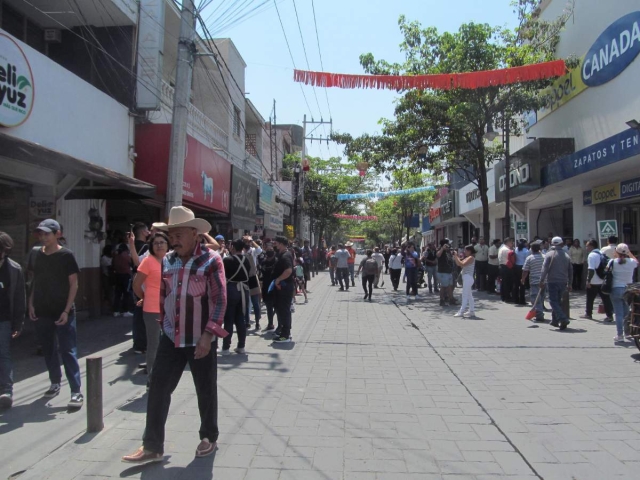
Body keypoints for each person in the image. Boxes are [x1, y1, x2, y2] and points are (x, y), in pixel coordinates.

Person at [122, 207, 228, 464]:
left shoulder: (211, 260)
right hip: (171, 335)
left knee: (205, 389)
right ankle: (152, 447)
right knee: (158, 388)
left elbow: (219, 300)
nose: (175, 239)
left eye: (179, 233)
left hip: (199, 337)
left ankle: (208, 437)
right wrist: (160, 315)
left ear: (195, 234)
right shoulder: (167, 259)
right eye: (172, 234)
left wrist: (207, 336)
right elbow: (164, 292)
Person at [28, 219, 83, 408]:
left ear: (57, 234)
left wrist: (67, 310)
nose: (43, 237)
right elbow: (34, 281)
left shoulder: (66, 255)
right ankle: (55, 382)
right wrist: (31, 304)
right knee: (48, 349)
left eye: (47, 233)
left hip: (63, 311)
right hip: (42, 309)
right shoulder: (36, 254)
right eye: (40, 234)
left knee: (68, 350)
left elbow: (73, 284)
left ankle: (76, 391)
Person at [132, 232, 169, 381]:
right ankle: (152, 378)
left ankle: (165, 375)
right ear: (151, 246)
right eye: (156, 243)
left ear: (168, 245)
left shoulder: (172, 260)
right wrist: (145, 297)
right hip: (152, 308)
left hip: (170, 308)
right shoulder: (148, 261)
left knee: (169, 343)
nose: (159, 245)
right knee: (153, 343)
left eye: (162, 242)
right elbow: (136, 285)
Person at [0, 232, 26, 409]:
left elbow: (19, 298)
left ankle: (6, 390)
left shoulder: (14, 269)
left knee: (4, 353)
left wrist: (18, 323)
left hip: (4, 318)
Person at [220, 239, 251, 355]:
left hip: (231, 289)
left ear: (232, 247)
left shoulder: (228, 260)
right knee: (240, 319)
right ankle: (241, 346)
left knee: (228, 319)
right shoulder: (247, 260)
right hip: (243, 290)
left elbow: (222, 275)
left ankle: (226, 347)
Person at [540, 236, 573, 330]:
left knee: (553, 301)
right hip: (563, 281)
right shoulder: (566, 255)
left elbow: (544, 269)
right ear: (562, 244)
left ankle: (563, 318)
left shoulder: (549, 254)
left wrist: (541, 280)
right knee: (558, 301)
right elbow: (571, 270)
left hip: (552, 281)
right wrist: (570, 283)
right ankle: (555, 320)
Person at [607, 244, 638, 343]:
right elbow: (637, 262)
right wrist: (629, 253)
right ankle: (627, 332)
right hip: (628, 290)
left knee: (618, 313)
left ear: (617, 252)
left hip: (615, 289)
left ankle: (620, 335)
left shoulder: (613, 262)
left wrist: (615, 256)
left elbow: (606, 271)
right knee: (626, 312)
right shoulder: (632, 262)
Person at [581, 239, 613, 322]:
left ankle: (588, 314)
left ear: (591, 246)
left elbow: (591, 269)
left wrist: (588, 281)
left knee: (590, 298)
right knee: (605, 299)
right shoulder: (601, 253)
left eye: (587, 246)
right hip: (602, 280)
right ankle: (610, 315)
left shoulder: (591, 255)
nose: (586, 247)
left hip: (594, 281)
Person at [271, 236, 295, 343]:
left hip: (284, 287)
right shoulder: (281, 254)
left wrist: (278, 279)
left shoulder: (286, 255)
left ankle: (285, 335)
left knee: (284, 310)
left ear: (281, 244)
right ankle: (283, 331)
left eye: (276, 243)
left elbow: (289, 270)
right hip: (281, 287)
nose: (274, 245)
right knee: (280, 309)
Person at [522, 241, 546, 322]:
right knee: (541, 298)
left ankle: (539, 315)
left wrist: (523, 279)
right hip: (544, 281)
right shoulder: (544, 257)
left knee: (535, 298)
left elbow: (525, 270)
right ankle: (539, 312)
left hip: (534, 281)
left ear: (532, 249)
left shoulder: (530, 258)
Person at [112, 243, 134, 318]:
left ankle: (116, 311)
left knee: (117, 294)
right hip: (126, 276)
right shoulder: (127, 256)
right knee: (126, 293)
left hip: (117, 276)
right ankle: (125, 311)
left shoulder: (116, 257)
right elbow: (132, 264)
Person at [453, 245, 476, 318]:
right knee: (469, 295)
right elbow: (459, 264)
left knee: (465, 295)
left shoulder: (471, 258)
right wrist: (455, 256)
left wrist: (456, 255)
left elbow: (462, 264)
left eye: (466, 250)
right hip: (467, 278)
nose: (464, 252)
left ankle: (461, 311)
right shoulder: (468, 258)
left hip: (468, 278)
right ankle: (471, 311)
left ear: (469, 251)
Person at [260, 242, 278, 332]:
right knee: (276, 306)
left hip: (267, 287)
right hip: (275, 286)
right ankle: (277, 324)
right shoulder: (277, 261)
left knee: (269, 307)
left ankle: (270, 323)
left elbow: (261, 274)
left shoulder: (263, 262)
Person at [436, 239, 456, 306]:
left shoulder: (448, 251)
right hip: (443, 272)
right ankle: (441, 300)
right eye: (447, 244)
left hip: (449, 271)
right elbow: (438, 255)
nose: (449, 245)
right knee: (443, 287)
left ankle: (451, 299)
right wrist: (442, 248)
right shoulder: (440, 250)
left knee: (450, 286)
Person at [513, 239, 529, 305]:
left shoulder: (516, 249)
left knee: (516, 284)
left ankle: (515, 299)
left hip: (516, 267)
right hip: (523, 267)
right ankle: (522, 300)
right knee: (522, 284)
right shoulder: (526, 251)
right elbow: (527, 260)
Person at [498, 238, 515, 303]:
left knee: (503, 282)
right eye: (511, 242)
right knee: (508, 283)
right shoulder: (507, 250)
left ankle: (503, 296)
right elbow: (512, 260)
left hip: (502, 266)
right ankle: (507, 297)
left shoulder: (501, 248)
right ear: (508, 242)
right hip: (507, 267)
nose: (512, 244)